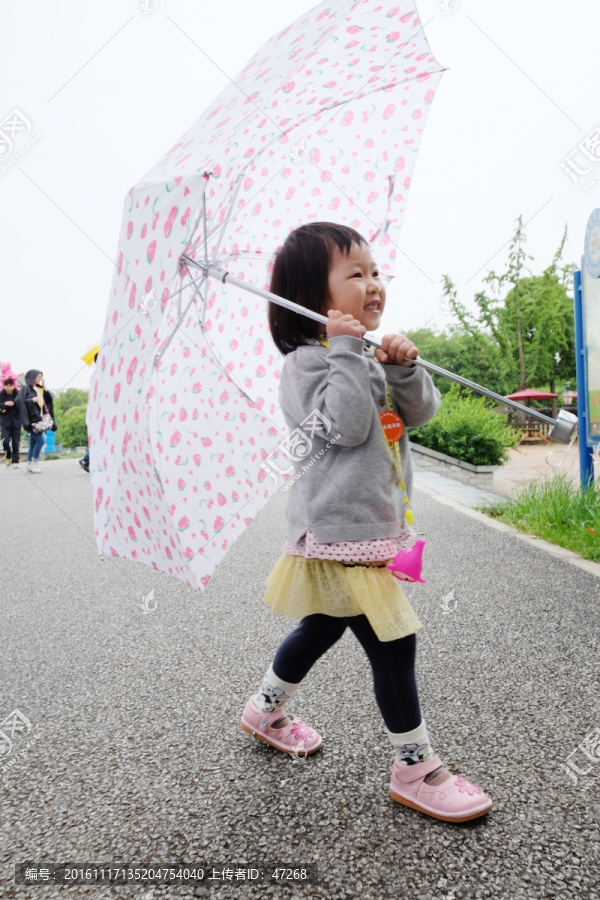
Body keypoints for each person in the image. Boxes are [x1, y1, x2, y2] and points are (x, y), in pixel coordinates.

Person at [240, 223, 492, 823]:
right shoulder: (306, 364)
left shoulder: (362, 357)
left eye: (376, 271)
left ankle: (265, 708)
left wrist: (403, 368)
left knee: (323, 625)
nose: (374, 284)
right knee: (394, 643)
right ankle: (416, 767)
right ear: (309, 296)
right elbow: (348, 425)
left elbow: (420, 414)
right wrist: (349, 353)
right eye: (355, 274)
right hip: (339, 532)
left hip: (369, 527)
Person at [16, 369, 57, 474]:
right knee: (41, 441)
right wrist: (31, 400)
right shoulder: (26, 389)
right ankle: (34, 462)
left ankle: (30, 463)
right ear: (32, 377)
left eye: (41, 377)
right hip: (31, 421)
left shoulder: (39, 388)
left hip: (40, 420)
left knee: (33, 443)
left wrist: (44, 386)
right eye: (38, 376)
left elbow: (48, 400)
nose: (40, 379)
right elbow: (18, 401)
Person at [79, 351, 97, 473]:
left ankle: (87, 460)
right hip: (96, 413)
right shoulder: (97, 375)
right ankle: (86, 460)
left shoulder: (98, 375)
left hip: (96, 413)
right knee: (99, 440)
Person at [0, 377, 22, 467]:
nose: (9, 388)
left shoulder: (17, 393)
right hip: (5, 423)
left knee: (16, 443)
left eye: (11, 386)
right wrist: (4, 404)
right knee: (5, 441)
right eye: (7, 386)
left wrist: (15, 403)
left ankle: (15, 461)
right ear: (4, 386)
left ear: (13, 386)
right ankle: (8, 455)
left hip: (16, 422)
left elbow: (22, 404)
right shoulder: (1, 394)